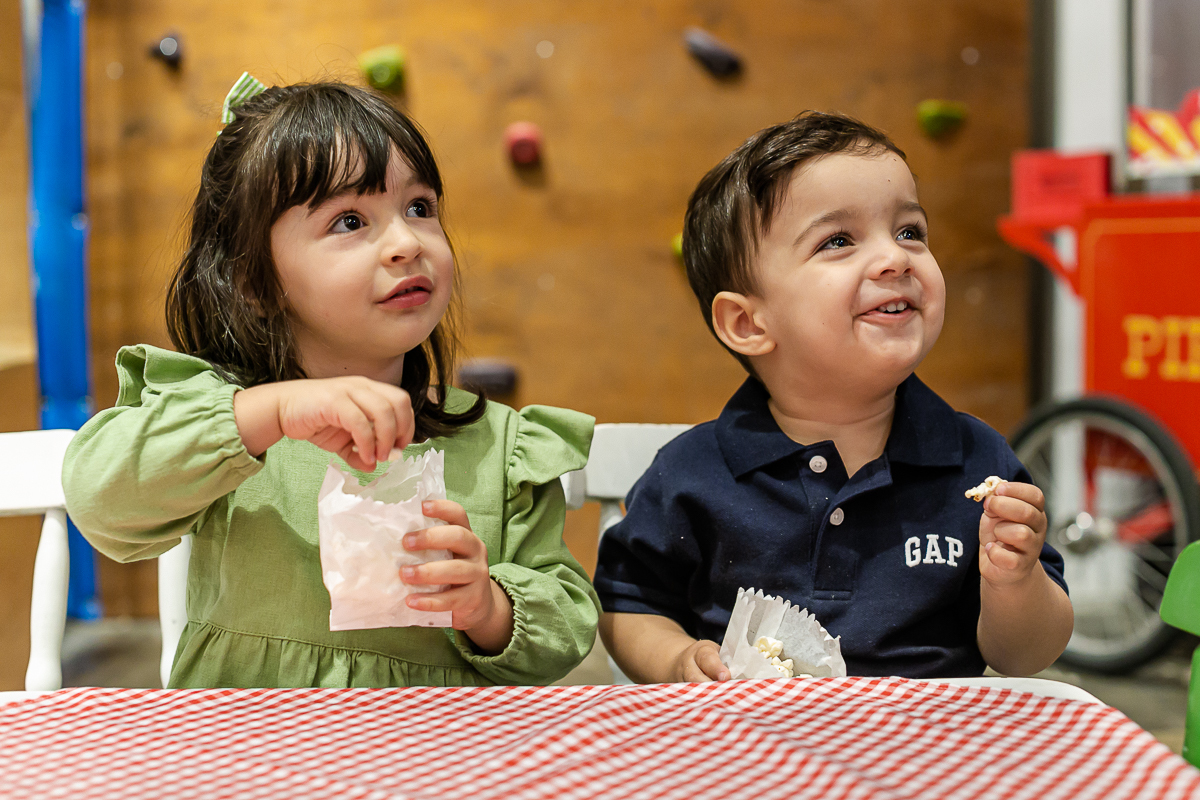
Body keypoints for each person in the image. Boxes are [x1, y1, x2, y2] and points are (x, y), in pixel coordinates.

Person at [63, 76, 600, 688]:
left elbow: (565, 625)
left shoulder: (501, 444)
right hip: (249, 758)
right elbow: (101, 498)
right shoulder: (226, 419)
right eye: (349, 220)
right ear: (254, 283)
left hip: (432, 764)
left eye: (419, 208)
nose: (405, 243)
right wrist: (275, 412)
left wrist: (487, 607)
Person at [594, 112, 1073, 682]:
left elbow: (1025, 657)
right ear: (748, 323)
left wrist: (1013, 583)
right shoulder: (693, 476)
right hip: (750, 750)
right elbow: (630, 605)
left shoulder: (976, 461)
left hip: (930, 754)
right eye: (839, 240)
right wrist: (676, 660)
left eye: (909, 231)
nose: (896, 258)